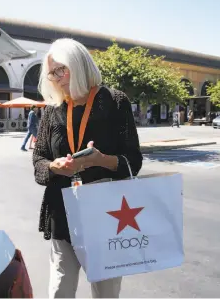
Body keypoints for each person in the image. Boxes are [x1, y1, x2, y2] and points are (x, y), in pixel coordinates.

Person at [32, 38, 143, 298]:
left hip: (107, 214)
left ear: (79, 64)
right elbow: (38, 161)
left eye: (62, 69)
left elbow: (133, 162)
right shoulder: (52, 111)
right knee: (60, 290)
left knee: (106, 291)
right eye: (52, 73)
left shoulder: (115, 102)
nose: (57, 78)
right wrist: (54, 166)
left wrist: (100, 160)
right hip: (62, 212)